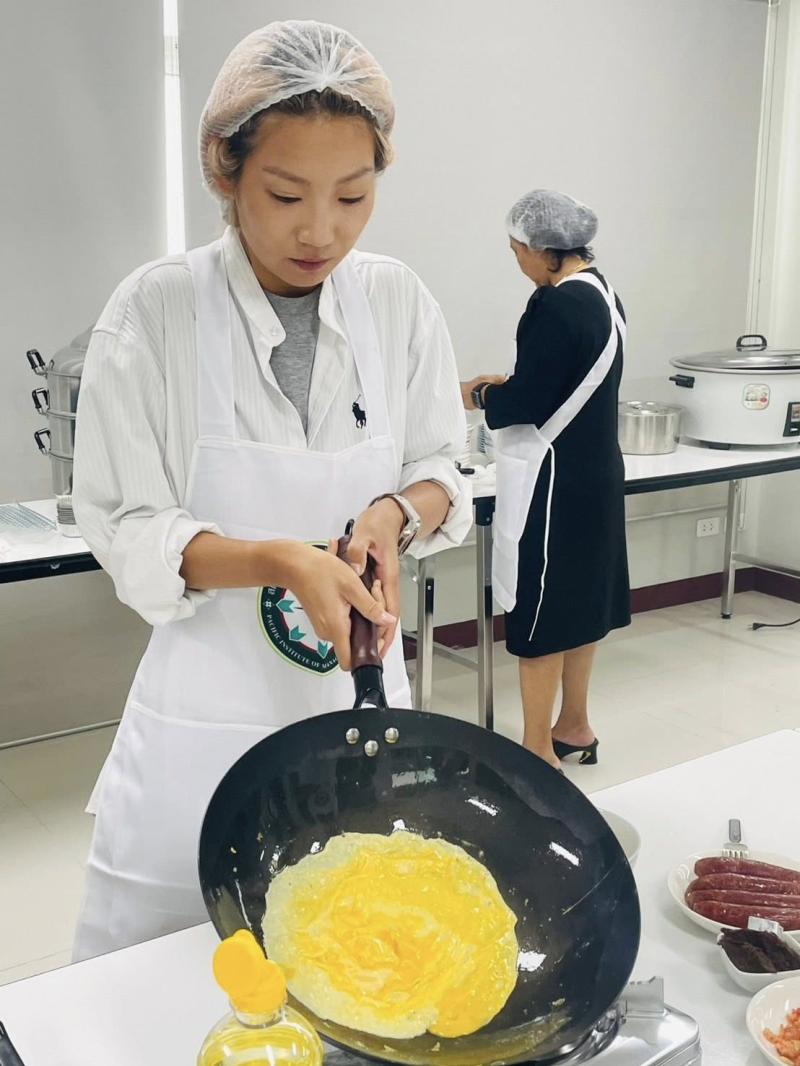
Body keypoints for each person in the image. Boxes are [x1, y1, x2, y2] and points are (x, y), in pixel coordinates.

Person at [71, 19, 470, 961]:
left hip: (358, 701)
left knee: (355, 963)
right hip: (200, 725)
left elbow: (444, 470)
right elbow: (128, 526)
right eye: (285, 194)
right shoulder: (157, 310)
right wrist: (282, 561)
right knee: (166, 972)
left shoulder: (397, 301)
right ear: (225, 169)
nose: (320, 230)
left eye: (353, 195)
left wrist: (394, 515)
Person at [462, 190, 630, 769]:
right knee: (579, 606)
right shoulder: (603, 295)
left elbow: (527, 403)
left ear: (543, 248)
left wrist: (481, 395)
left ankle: (537, 751)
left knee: (539, 614)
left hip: (553, 483)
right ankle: (574, 724)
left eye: (518, 252)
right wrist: (512, 386)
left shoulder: (555, 305)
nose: (518, 263)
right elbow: (565, 380)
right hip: (597, 476)